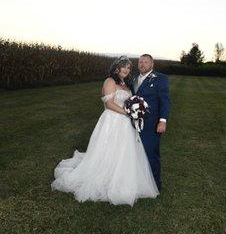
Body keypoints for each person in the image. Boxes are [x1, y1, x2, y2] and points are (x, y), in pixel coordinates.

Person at [51, 56, 159, 207]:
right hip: (112, 120)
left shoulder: (126, 84)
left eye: (129, 68)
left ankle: (122, 178)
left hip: (125, 123)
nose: (127, 70)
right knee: (108, 149)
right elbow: (109, 104)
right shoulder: (110, 81)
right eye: (124, 67)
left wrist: (135, 111)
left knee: (123, 151)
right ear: (117, 68)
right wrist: (128, 113)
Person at [130, 54, 170, 191]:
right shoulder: (134, 77)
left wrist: (162, 121)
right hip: (133, 122)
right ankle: (139, 181)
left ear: (152, 64)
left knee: (150, 153)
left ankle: (155, 185)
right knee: (135, 152)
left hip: (151, 124)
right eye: (140, 62)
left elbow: (165, 101)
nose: (142, 64)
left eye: (146, 62)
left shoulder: (161, 78)